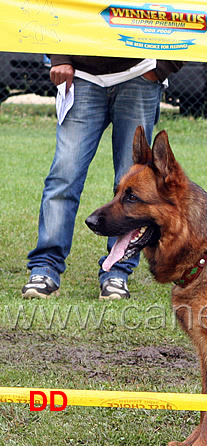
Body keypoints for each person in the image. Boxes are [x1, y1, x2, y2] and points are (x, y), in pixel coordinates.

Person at [22, 56, 182, 300]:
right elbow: (52, 15)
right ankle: (45, 267)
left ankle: (117, 272)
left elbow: (189, 18)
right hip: (81, 75)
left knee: (134, 186)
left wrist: (160, 67)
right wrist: (59, 58)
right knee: (64, 176)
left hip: (138, 74)